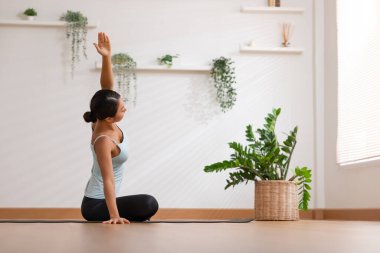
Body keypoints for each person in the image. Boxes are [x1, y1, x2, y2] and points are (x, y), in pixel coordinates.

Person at [81, 32, 159, 224]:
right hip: (95, 205)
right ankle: (117, 214)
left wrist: (106, 57)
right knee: (149, 203)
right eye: (122, 109)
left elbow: (107, 88)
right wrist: (115, 216)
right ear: (109, 117)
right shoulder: (103, 140)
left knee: (146, 206)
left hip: (104, 202)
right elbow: (108, 179)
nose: (126, 109)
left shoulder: (102, 119)